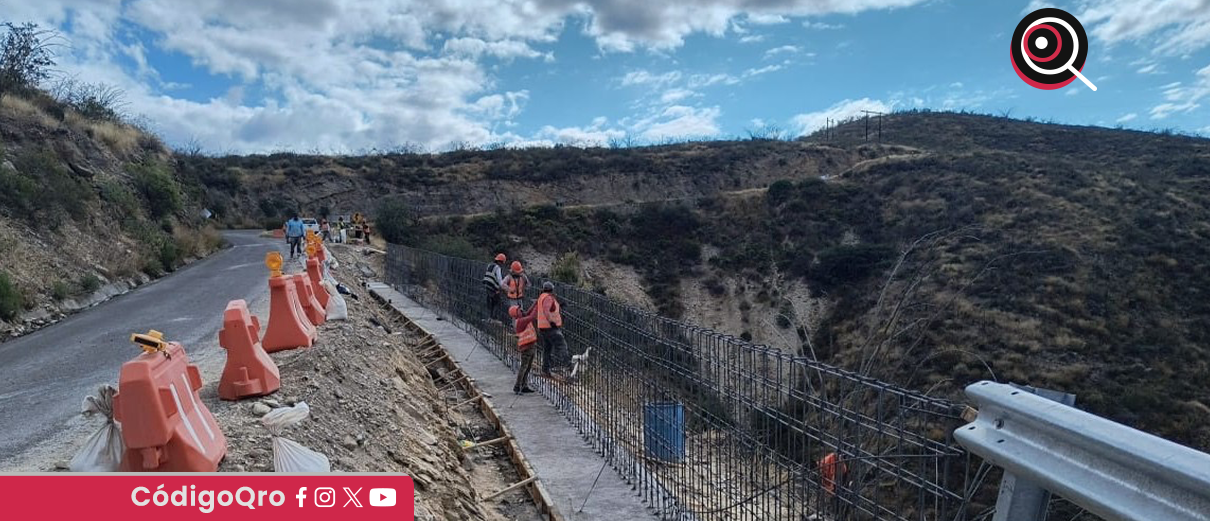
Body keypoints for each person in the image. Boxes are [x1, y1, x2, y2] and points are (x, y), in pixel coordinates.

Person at [536, 281, 570, 379]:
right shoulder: (548, 298)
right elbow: (547, 311)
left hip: (543, 328)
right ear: (552, 289)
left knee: (547, 349)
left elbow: (550, 309)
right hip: (550, 328)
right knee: (561, 346)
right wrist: (552, 322)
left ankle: (546, 370)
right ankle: (568, 367)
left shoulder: (542, 297)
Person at [509, 305, 538, 395]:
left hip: (531, 345)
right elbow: (532, 316)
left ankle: (524, 385)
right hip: (526, 347)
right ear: (516, 313)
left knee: (528, 367)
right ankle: (517, 386)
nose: (521, 310)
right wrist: (539, 306)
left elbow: (528, 312)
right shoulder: (521, 321)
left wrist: (536, 303)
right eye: (519, 310)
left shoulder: (522, 318)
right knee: (524, 367)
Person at [482, 253, 506, 321]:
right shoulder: (497, 268)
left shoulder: (490, 265)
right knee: (497, 301)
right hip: (492, 286)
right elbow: (499, 279)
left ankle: (490, 317)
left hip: (487, 285)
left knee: (491, 301)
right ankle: (494, 318)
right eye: (502, 263)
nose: (502, 264)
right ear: (500, 262)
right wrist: (504, 288)